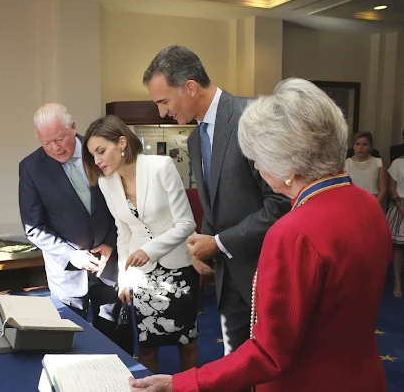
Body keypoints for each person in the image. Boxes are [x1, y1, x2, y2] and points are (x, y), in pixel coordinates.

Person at [129, 78, 392, 392]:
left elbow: (269, 354)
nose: (255, 165)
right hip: (362, 376)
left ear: (288, 167)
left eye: (258, 157)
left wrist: (181, 383)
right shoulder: (366, 203)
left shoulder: (294, 232)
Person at [143, 45, 290, 356]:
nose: (162, 113)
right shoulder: (196, 137)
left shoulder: (253, 118)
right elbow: (214, 202)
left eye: (164, 101)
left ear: (191, 88)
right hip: (227, 277)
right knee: (236, 366)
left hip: (266, 275)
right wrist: (204, 244)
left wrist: (219, 242)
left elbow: (280, 204)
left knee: (270, 368)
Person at [82, 115, 199, 373]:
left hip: (178, 269)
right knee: (146, 347)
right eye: (93, 155)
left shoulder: (161, 166)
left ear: (122, 142)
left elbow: (186, 224)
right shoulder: (106, 183)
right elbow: (123, 232)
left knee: (186, 344)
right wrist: (124, 277)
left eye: (101, 151)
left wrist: (148, 250)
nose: (97, 160)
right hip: (142, 275)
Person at [19, 103, 131, 353]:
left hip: (109, 267)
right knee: (69, 346)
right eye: (46, 143)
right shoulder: (31, 168)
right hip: (67, 275)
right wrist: (71, 255)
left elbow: (123, 205)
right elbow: (34, 227)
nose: (55, 148)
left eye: (60, 139)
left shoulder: (99, 151)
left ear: (73, 127)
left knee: (115, 340)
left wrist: (112, 242)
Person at [344, 131, 386, 204]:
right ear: (353, 146)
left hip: (372, 203)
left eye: (365, 144)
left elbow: (382, 189)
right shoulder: (346, 164)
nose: (361, 147)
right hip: (350, 203)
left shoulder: (378, 163)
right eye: (357, 144)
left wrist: (374, 206)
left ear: (370, 147)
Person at [386, 154, 404, 297]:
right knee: (398, 247)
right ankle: (398, 281)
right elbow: (392, 189)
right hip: (400, 207)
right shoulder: (398, 163)